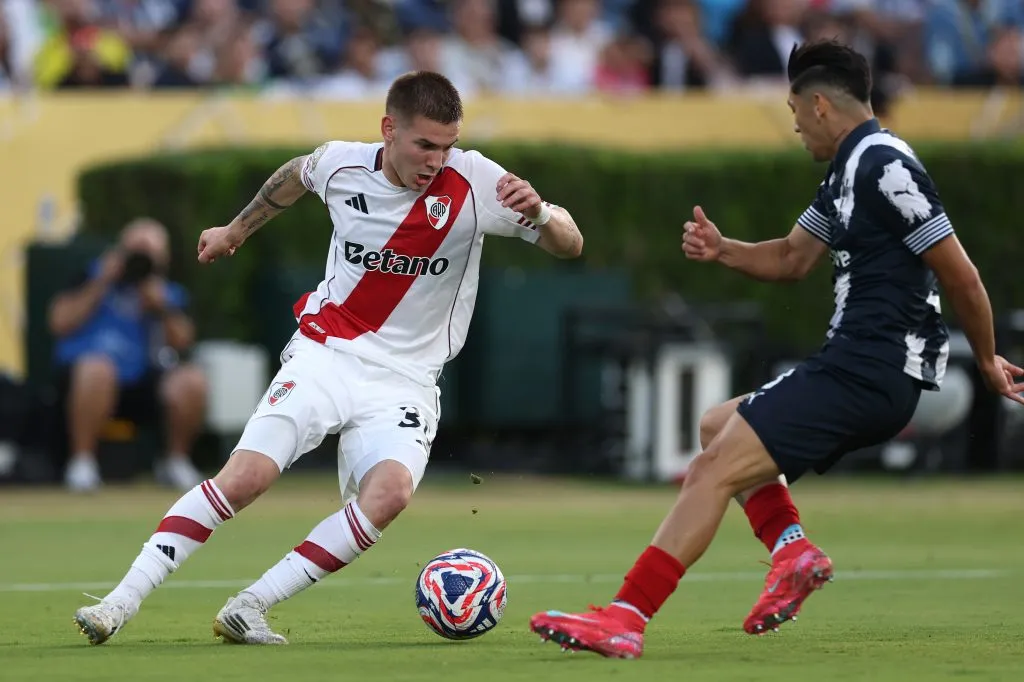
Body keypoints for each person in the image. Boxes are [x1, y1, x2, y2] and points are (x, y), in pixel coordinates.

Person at [529, 40, 1024, 659]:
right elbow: (792, 258)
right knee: (717, 426)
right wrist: (723, 248)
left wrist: (985, 358)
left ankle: (627, 615)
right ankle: (790, 549)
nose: (793, 127)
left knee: (710, 471)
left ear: (819, 105)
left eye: (794, 112)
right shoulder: (846, 171)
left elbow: (961, 273)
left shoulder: (883, 164)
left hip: (870, 367)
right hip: (859, 364)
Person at [72, 71, 584, 646]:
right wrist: (235, 231)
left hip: (408, 380)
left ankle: (251, 605)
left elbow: (571, 243)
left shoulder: (477, 181)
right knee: (246, 478)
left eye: (446, 146)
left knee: (389, 496)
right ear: (389, 130)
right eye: (424, 145)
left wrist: (540, 214)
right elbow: (293, 176)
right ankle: (119, 602)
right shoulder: (342, 165)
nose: (437, 160)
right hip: (328, 352)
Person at [49, 218, 207, 493]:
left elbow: (183, 341)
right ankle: (82, 463)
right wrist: (102, 282)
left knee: (192, 380)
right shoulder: (90, 276)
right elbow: (59, 321)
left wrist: (160, 307)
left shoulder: (166, 293)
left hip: (143, 378)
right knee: (98, 369)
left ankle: (175, 461)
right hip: (88, 378)